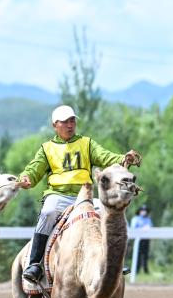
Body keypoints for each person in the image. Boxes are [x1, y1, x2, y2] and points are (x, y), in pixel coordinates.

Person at [17, 105, 142, 282]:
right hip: (57, 196)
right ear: (55, 125)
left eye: (72, 121)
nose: (70, 125)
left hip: (85, 196)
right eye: (65, 121)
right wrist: (26, 177)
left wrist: (123, 158)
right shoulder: (47, 148)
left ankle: (115, 261)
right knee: (47, 212)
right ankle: (35, 263)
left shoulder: (86, 143)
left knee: (108, 212)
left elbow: (105, 156)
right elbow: (33, 169)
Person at [130, 205, 153, 274]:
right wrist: (142, 229)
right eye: (142, 210)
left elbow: (151, 227)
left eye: (145, 210)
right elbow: (133, 228)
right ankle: (136, 270)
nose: (144, 212)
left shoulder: (148, 219)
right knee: (138, 255)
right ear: (139, 211)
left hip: (146, 239)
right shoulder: (135, 219)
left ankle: (146, 270)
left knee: (145, 255)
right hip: (138, 240)